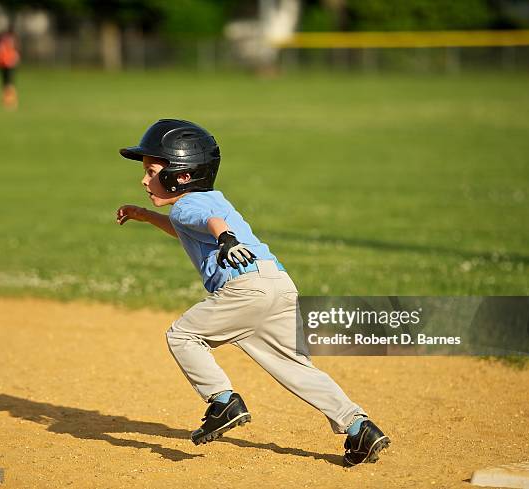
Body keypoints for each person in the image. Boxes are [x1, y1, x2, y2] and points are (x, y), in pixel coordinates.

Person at [115, 119, 390, 466]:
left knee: (182, 336)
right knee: (296, 367)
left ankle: (222, 400)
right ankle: (358, 427)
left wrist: (225, 239)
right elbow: (192, 228)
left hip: (244, 289)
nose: (144, 179)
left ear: (181, 175)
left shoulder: (187, 205)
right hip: (276, 283)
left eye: (152, 171)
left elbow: (209, 225)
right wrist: (145, 215)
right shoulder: (208, 200)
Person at [0, 28, 20, 109]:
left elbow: (14, 52)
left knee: (9, 84)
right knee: (5, 84)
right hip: (2, 65)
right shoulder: (0, 43)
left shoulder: (9, 41)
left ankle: (12, 101)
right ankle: (6, 101)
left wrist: (14, 59)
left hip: (9, 64)